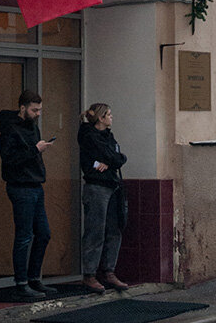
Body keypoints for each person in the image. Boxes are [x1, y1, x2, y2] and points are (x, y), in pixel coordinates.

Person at [0, 89, 54, 301]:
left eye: (39, 110)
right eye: (34, 109)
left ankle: (33, 278)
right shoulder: (10, 130)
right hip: (20, 187)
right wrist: (35, 150)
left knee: (44, 233)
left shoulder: (33, 127)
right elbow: (9, 159)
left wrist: (37, 151)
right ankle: (21, 282)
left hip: (36, 184)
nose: (38, 113)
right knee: (24, 235)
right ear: (22, 108)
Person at [78, 103, 129, 292]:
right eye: (108, 114)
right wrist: (110, 160)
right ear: (100, 118)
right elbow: (111, 156)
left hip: (112, 185)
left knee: (114, 228)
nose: (111, 117)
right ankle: (89, 274)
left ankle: (109, 271)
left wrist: (109, 161)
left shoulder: (109, 136)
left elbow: (119, 158)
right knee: (95, 230)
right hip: (96, 186)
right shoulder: (89, 136)